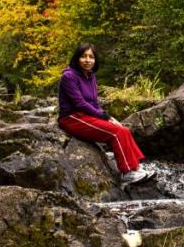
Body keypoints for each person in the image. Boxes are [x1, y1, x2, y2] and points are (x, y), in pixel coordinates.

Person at [58, 43, 154, 185]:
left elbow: (95, 103)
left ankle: (136, 167)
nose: (87, 60)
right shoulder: (69, 76)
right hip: (72, 117)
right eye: (83, 56)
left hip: (86, 115)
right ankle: (127, 173)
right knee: (115, 133)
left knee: (123, 129)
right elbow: (80, 104)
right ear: (77, 58)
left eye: (91, 57)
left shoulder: (91, 76)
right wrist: (104, 117)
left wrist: (109, 117)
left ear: (95, 60)